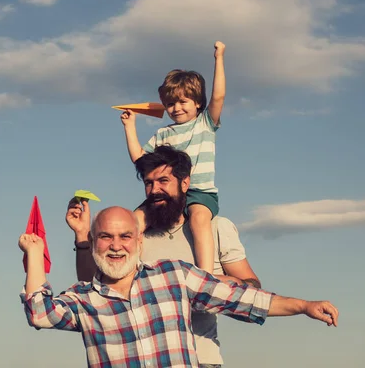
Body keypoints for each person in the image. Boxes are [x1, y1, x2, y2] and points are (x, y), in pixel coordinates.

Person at [20, 206, 338, 368]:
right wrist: (35, 254)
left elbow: (241, 299)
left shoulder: (174, 276)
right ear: (94, 244)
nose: (116, 246)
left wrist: (304, 306)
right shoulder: (83, 299)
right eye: (106, 237)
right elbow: (39, 313)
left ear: (139, 241)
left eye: (125, 236)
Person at [67, 146, 259, 367]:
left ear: (185, 183)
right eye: (149, 183)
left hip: (203, 360)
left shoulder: (216, 228)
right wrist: (82, 236)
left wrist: (213, 284)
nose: (155, 189)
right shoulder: (136, 238)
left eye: (163, 181)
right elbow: (94, 288)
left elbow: (253, 287)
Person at [120, 41, 226, 276]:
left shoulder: (205, 123)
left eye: (182, 102)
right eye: (170, 104)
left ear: (198, 103)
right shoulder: (163, 134)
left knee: (199, 220)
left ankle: (206, 278)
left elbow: (218, 96)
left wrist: (219, 58)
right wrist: (129, 126)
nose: (176, 108)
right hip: (168, 193)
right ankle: (128, 271)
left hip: (199, 192)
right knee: (135, 219)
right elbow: (140, 159)